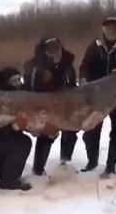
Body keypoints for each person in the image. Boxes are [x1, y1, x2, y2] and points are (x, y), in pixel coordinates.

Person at [79, 17, 116, 176]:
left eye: (115, 26)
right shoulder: (94, 46)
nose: (112, 29)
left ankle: (111, 166)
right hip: (96, 97)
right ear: (103, 28)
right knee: (91, 129)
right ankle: (92, 161)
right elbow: (84, 66)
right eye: (108, 26)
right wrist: (83, 78)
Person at [23, 36, 78, 176]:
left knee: (71, 131)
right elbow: (31, 90)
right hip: (44, 106)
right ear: (43, 51)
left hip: (65, 105)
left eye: (57, 47)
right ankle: (38, 169)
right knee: (47, 135)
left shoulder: (67, 63)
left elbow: (71, 85)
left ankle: (65, 161)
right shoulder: (35, 66)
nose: (55, 51)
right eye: (50, 49)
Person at [0, 67, 32, 190]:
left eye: (20, 80)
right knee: (24, 143)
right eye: (15, 81)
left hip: (4, 139)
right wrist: (14, 126)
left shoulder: (19, 96)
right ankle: (9, 182)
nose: (19, 84)